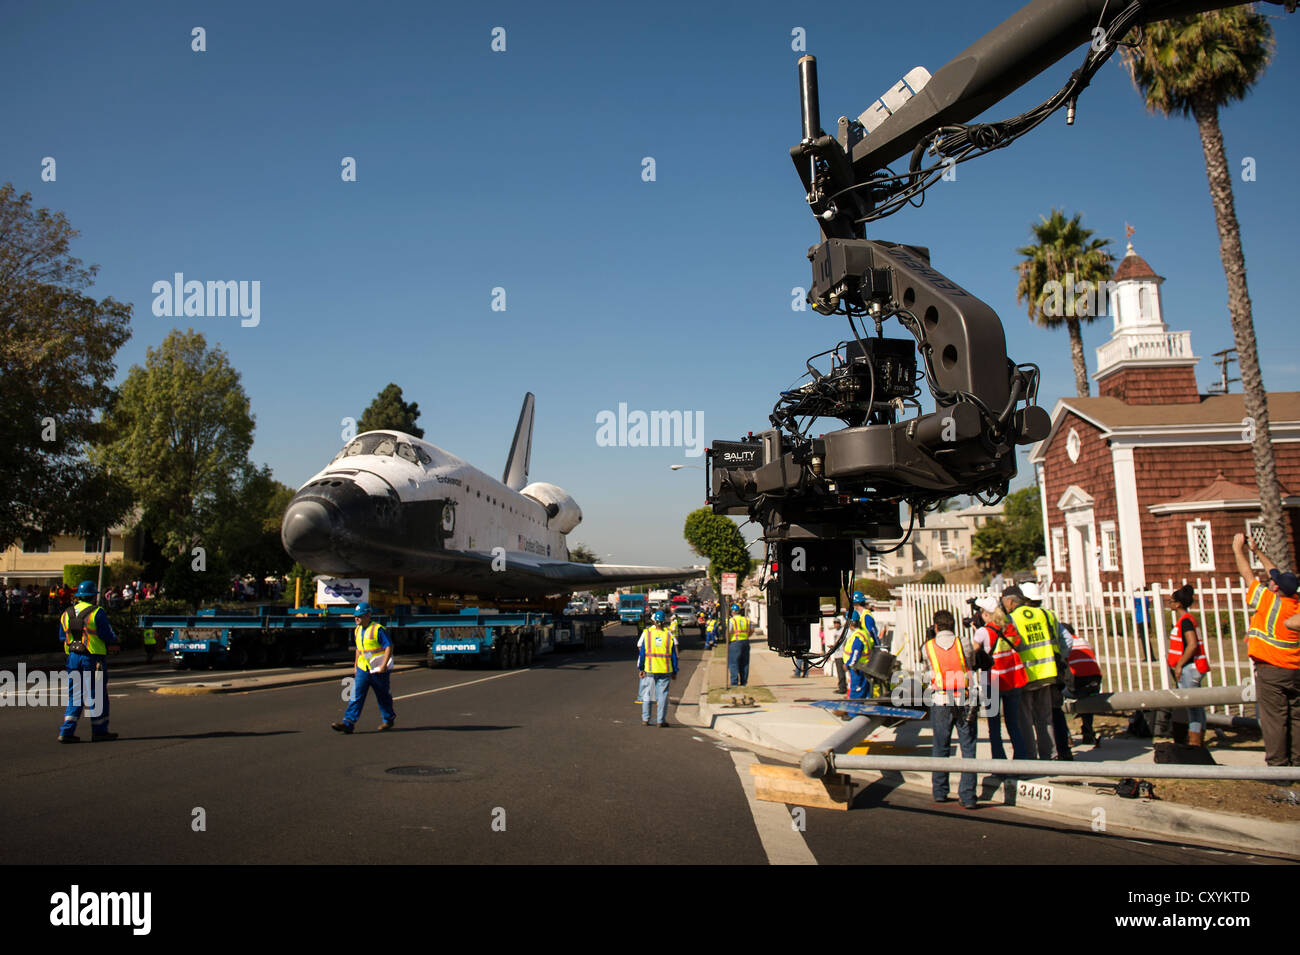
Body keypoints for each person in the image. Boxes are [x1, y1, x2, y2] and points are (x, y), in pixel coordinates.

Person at [1233, 533, 1300, 766]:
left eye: (1273, 582)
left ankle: (1278, 768)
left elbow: (1247, 575)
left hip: (1272, 670)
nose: (1270, 581)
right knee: (1296, 718)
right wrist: (1257, 551)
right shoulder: (1295, 603)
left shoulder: (1270, 602)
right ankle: (1297, 765)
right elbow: (1275, 573)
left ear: (1277, 589)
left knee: (1275, 720)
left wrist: (1237, 549)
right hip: (1295, 670)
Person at [924, 609, 978, 810]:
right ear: (953, 625)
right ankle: (969, 795)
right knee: (968, 748)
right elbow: (970, 662)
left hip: (941, 701)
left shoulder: (928, 647)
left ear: (935, 626)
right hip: (964, 698)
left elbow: (927, 666)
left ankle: (940, 791)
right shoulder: (963, 643)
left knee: (940, 746)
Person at [57, 580, 120, 743]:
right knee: (96, 695)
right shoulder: (97, 612)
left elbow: (62, 637)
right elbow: (107, 635)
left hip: (72, 658)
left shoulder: (66, 613)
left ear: (79, 597)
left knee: (75, 695)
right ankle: (99, 731)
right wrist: (115, 641)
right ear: (93, 597)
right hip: (93, 658)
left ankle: (66, 732)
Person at [1002, 585, 1058, 760]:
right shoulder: (1042, 614)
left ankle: (1030, 758)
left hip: (1026, 676)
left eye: (1004, 603)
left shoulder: (1011, 619)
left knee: (1025, 720)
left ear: (1010, 602)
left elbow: (1008, 646)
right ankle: (1050, 755)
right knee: (1045, 718)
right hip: (1047, 672)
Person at [971, 596, 1028, 760]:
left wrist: (976, 633)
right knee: (1013, 724)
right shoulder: (1010, 628)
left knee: (994, 727)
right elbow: (1018, 645)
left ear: (986, 614)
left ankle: (999, 763)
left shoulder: (983, 632)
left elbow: (973, 654)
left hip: (993, 683)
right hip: (1012, 680)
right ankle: (1022, 760)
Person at [1021, 582, 1073, 760]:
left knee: (1032, 716)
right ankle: (1062, 751)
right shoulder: (1049, 614)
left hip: (1032, 673)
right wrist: (1059, 656)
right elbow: (1067, 639)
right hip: (1053, 671)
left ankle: (1044, 754)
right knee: (1053, 713)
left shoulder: (1021, 617)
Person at [332, 602, 396, 734]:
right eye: (355, 616)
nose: (356, 618)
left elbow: (389, 646)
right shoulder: (357, 630)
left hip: (378, 670)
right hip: (363, 669)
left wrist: (384, 665)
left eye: (359, 616)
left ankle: (388, 719)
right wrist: (355, 665)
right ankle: (348, 723)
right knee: (355, 695)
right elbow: (359, 649)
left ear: (368, 615)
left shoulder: (378, 629)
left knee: (383, 696)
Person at [1168, 584, 1211, 748]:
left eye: (1171, 601)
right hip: (1194, 668)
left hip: (1189, 668)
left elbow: (1191, 644)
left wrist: (1179, 665)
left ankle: (1195, 743)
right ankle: (1198, 740)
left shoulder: (1185, 621)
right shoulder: (1188, 619)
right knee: (1197, 708)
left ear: (1178, 604)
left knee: (1193, 709)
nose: (1169, 604)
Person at [1063, 619, 1103, 745]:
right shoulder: (1083, 641)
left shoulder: (1063, 645)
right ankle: (1088, 730)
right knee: (1087, 699)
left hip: (1077, 686)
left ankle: (1066, 735)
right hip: (1095, 684)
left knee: (1055, 698)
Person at [637, 611, 678, 726]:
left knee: (648, 695)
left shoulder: (648, 635)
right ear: (664, 622)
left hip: (650, 669)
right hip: (665, 670)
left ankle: (646, 718)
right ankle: (661, 720)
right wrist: (675, 670)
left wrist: (641, 668)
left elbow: (643, 654)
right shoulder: (669, 635)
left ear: (654, 621)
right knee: (663, 696)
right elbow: (673, 655)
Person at [842, 592, 880, 700]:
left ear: (855, 604)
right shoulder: (862, 617)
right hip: (860, 660)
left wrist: (877, 648)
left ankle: (853, 713)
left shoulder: (866, 616)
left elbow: (872, 633)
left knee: (858, 692)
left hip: (860, 662)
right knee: (860, 691)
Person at [727, 603, 751, 687]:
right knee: (744, 663)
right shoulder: (746, 620)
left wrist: (727, 640)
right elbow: (751, 630)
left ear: (732, 612)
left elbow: (729, 631)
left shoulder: (732, 620)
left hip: (735, 643)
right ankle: (744, 682)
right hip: (745, 642)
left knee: (734, 662)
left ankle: (734, 682)